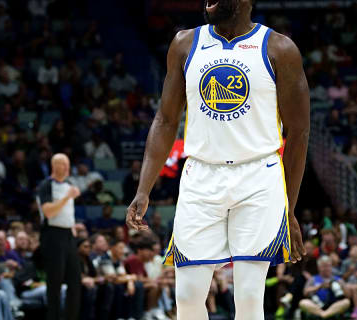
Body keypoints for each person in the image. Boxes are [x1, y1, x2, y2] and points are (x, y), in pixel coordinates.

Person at [124, 0, 308, 319]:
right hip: (200, 175)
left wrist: (288, 209)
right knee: (188, 295)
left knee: (249, 296)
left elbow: (299, 131)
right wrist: (144, 189)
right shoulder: (185, 43)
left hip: (259, 177)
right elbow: (166, 120)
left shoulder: (279, 48)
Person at [34, 153, 82, 320]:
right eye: (63, 164)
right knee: (54, 284)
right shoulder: (45, 186)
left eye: (68, 164)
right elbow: (48, 212)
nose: (67, 168)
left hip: (68, 235)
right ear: (54, 166)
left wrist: (73, 227)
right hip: (52, 235)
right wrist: (67, 197)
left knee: (75, 282)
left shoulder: (69, 184)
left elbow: (67, 213)